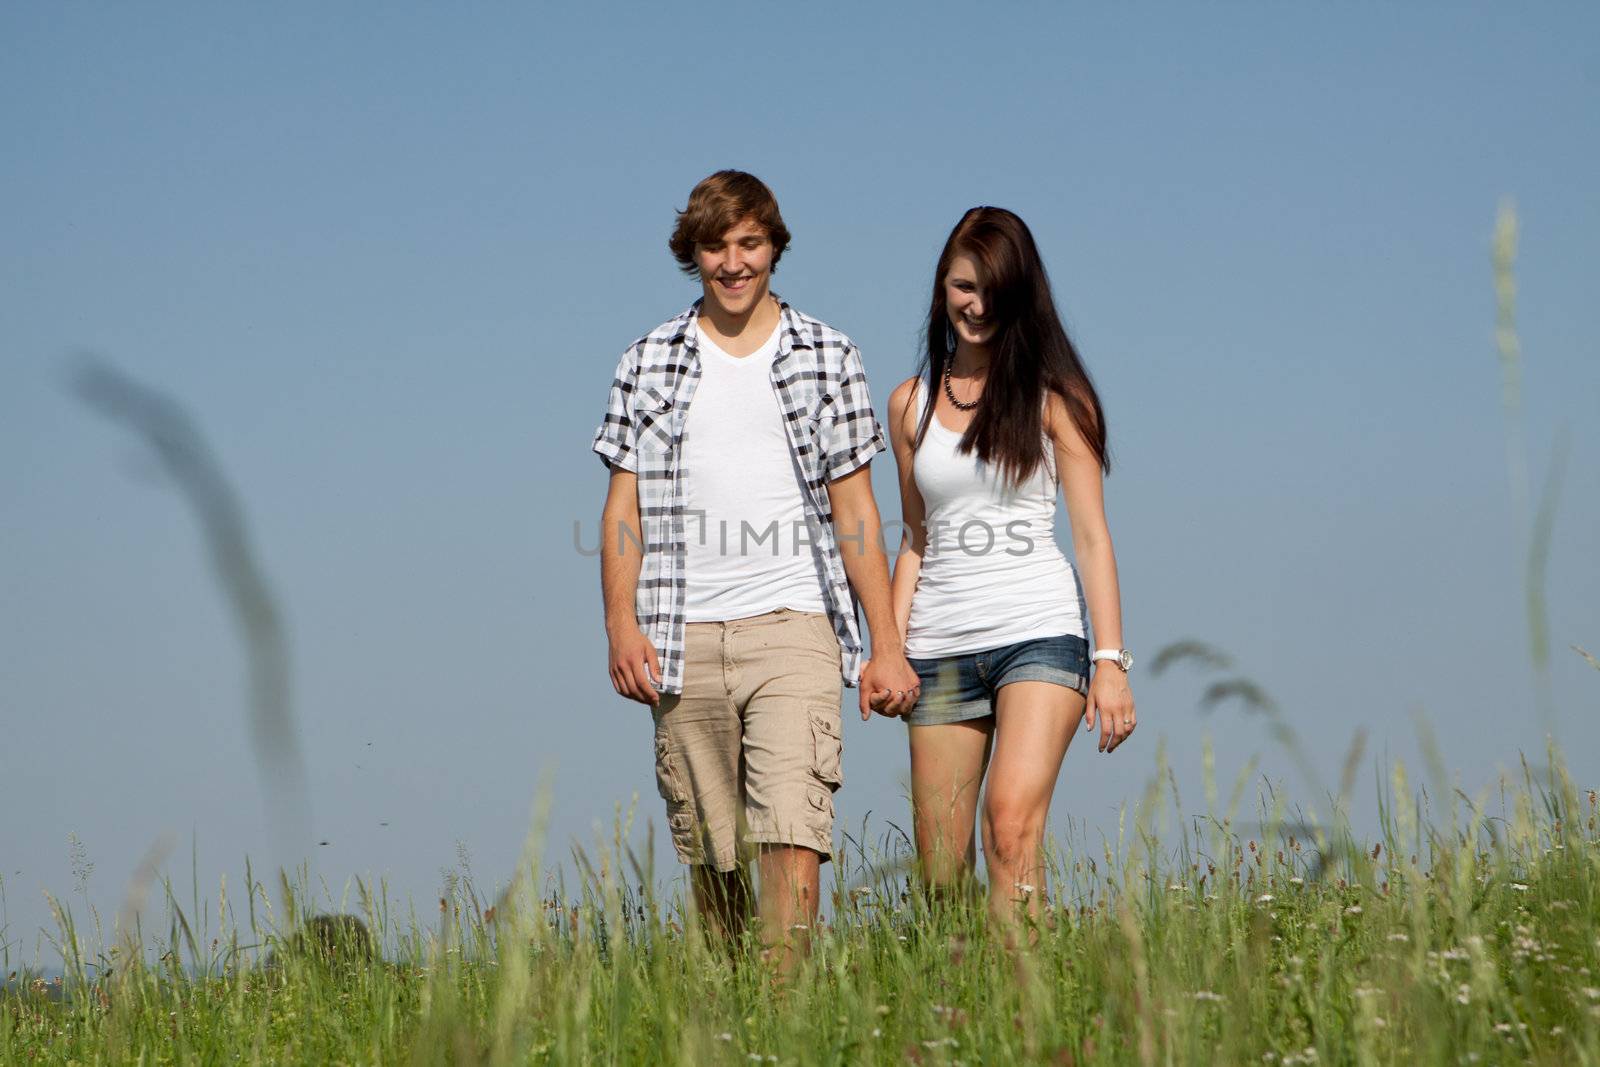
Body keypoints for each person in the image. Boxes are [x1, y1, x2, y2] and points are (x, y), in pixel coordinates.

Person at [592, 170, 919, 966]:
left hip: (795, 627)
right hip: (681, 637)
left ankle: (789, 1028)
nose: (733, 263)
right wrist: (620, 622)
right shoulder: (647, 359)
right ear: (692, 254)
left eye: (749, 243)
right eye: (715, 246)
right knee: (715, 867)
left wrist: (885, 644)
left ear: (775, 246)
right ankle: (736, 1027)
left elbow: (858, 510)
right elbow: (622, 509)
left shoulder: (829, 354)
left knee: (792, 841)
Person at [883, 206, 1136, 930]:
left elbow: (1091, 535)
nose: (978, 305)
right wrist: (889, 649)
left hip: (1039, 634)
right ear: (943, 287)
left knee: (1010, 825)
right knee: (938, 873)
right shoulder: (910, 405)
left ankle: (1027, 1021)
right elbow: (914, 538)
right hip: (937, 647)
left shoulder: (1057, 400)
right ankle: (963, 1012)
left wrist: (1111, 660)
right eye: (964, 286)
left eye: (995, 290)